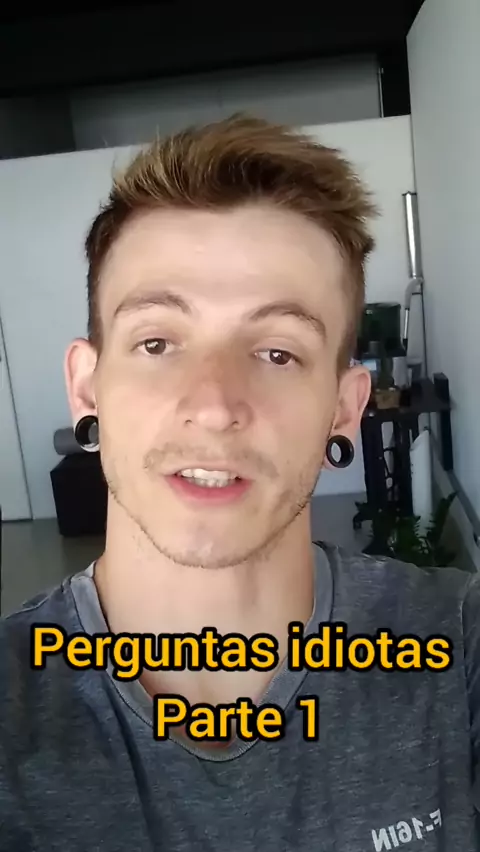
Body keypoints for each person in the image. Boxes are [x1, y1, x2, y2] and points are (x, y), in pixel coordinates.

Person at [0, 114, 479, 852]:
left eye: (278, 353)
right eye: (157, 342)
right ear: (87, 388)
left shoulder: (458, 651)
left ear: (343, 409)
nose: (215, 404)